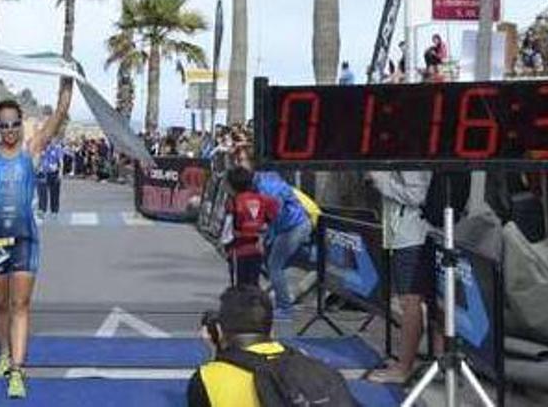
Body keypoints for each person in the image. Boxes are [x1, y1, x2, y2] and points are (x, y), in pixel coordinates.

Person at [0, 64, 73, 399]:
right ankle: (4, 351)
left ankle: (18, 371)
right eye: (2, 124)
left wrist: (67, 78)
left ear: (22, 125)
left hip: (25, 240)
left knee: (21, 304)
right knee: (0, 304)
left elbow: (61, 113)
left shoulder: (31, 151)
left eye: (14, 124)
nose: (8, 130)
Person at [187, 285, 355, 407]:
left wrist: (215, 351)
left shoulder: (206, 378)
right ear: (272, 330)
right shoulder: (316, 370)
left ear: (218, 330)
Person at [367, 170, 437, 383]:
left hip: (412, 236)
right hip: (406, 234)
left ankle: (403, 368)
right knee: (430, 302)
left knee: (411, 302)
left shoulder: (412, 154)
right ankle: (438, 361)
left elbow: (418, 195)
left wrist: (381, 179)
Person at [221, 167, 278, 287]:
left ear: (232, 186)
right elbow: (272, 219)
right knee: (253, 283)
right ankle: (254, 303)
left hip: (238, 250)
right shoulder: (263, 199)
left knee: (240, 284)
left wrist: (225, 246)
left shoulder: (234, 202)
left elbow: (227, 231)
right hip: (257, 249)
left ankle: (242, 304)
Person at [36, 138, 63, 219]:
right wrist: (37, 168)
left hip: (54, 173)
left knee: (54, 193)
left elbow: (61, 161)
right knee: (42, 193)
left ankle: (54, 211)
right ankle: (42, 210)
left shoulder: (57, 148)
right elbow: (37, 159)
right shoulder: (40, 149)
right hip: (42, 173)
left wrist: (60, 172)